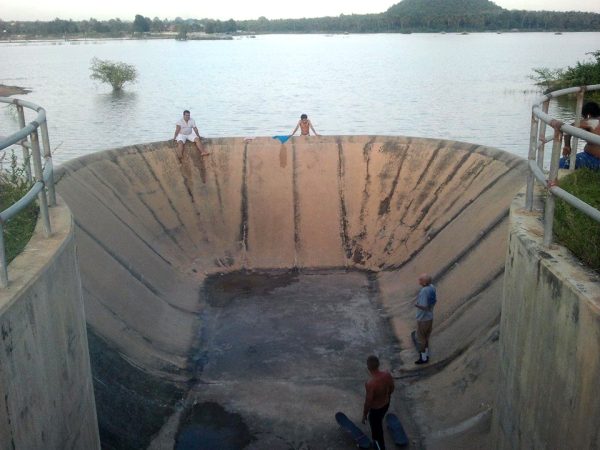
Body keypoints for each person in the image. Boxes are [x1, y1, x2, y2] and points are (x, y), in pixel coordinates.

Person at [552, 101, 600, 170]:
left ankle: (553, 179)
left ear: (588, 115)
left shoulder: (591, 122)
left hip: (594, 159)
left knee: (563, 162)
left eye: (583, 116)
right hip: (593, 158)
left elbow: (567, 129)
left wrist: (567, 146)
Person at [362, 355, 394, 450]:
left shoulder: (370, 383)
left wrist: (364, 415)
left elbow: (368, 402)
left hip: (376, 410)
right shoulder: (387, 375)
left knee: (377, 432)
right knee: (379, 422)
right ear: (379, 364)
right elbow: (392, 388)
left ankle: (380, 447)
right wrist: (386, 396)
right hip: (386, 404)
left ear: (368, 367)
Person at [414, 273, 436, 365]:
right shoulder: (432, 287)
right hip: (430, 318)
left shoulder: (424, 291)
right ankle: (426, 354)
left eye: (420, 280)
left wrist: (417, 305)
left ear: (424, 282)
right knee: (426, 338)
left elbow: (424, 307)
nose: (419, 281)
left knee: (421, 339)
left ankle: (423, 358)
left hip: (423, 319)